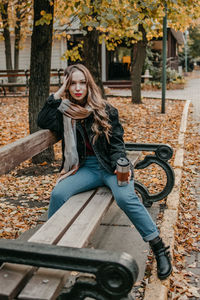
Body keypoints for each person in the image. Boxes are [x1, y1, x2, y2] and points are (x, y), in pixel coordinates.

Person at [37, 63, 172, 280]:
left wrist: (120, 163)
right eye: (72, 83)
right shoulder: (64, 113)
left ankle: (159, 247)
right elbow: (42, 120)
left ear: (89, 84)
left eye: (82, 82)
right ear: (67, 86)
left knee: (125, 198)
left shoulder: (105, 110)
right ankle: (51, 248)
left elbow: (117, 144)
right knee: (58, 194)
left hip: (110, 166)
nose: (78, 88)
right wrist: (59, 92)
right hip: (85, 169)